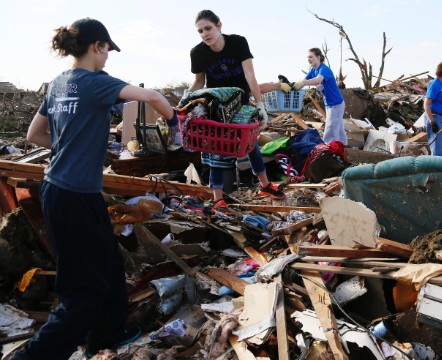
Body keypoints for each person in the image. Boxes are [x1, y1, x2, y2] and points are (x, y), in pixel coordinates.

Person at [11, 18, 177, 360]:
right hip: (73, 198)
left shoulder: (58, 83)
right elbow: (151, 96)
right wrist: (175, 123)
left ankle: (105, 338)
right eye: (107, 50)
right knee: (81, 292)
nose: (108, 58)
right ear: (96, 46)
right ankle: (29, 357)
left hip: (63, 192)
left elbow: (34, 136)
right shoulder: (96, 81)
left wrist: (71, 146)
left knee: (110, 265)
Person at [182, 10, 285, 218]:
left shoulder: (237, 43)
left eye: (208, 28)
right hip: (216, 106)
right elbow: (200, 81)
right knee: (217, 146)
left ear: (219, 25)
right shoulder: (198, 52)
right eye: (200, 31)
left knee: (251, 143)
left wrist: (260, 105)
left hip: (241, 103)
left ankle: (265, 185)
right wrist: (187, 98)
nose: (205, 34)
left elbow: (250, 75)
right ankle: (217, 198)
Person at [292, 48, 348, 145]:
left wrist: (303, 83)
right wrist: (296, 85)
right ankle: (344, 147)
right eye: (308, 57)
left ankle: (328, 148)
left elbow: (318, 80)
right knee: (338, 129)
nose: (309, 59)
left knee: (331, 128)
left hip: (336, 103)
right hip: (330, 103)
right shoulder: (313, 70)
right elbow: (304, 80)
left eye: (311, 57)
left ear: (318, 57)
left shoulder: (324, 69)